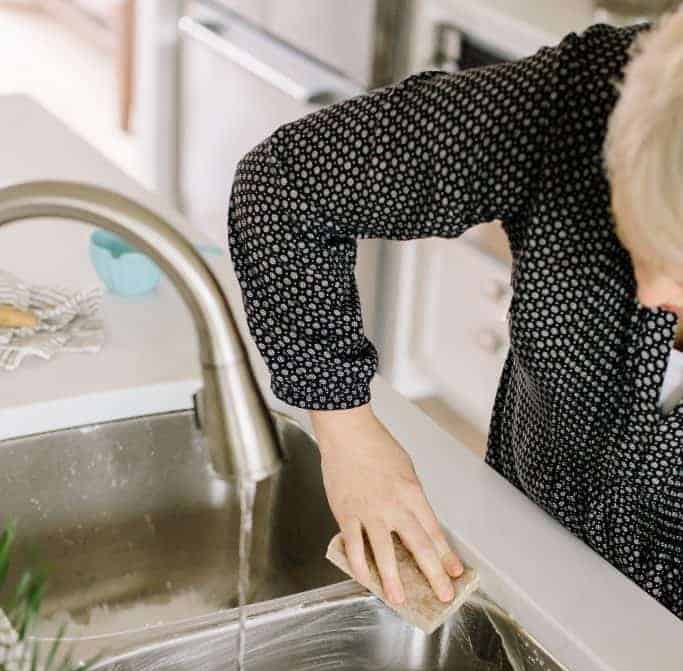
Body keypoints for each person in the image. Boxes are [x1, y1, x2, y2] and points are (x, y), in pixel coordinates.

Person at [228, 12, 683, 621]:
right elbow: (284, 187)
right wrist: (346, 431)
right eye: (632, 242)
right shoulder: (582, 100)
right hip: (526, 546)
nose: (649, 292)